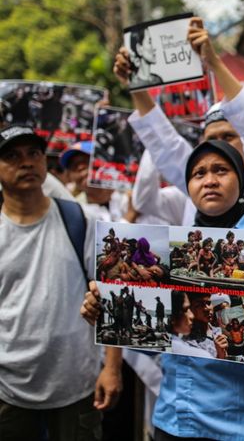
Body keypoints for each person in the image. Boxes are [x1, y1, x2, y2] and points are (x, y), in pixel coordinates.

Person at [81, 140, 244, 440]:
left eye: (221, 170)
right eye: (198, 173)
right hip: (175, 418)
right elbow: (151, 334)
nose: (210, 180)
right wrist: (107, 314)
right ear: (188, 186)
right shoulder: (169, 251)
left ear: (240, 179)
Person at [113, 16, 244, 237]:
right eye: (211, 140)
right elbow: (166, 146)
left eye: (228, 137)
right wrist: (137, 85)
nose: (210, 181)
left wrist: (214, 61)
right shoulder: (201, 181)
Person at [0, 125, 122, 440]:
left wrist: (111, 367)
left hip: (77, 385)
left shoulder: (79, 219)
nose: (26, 162)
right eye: (12, 156)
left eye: (34, 154)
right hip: (9, 390)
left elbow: (112, 294)